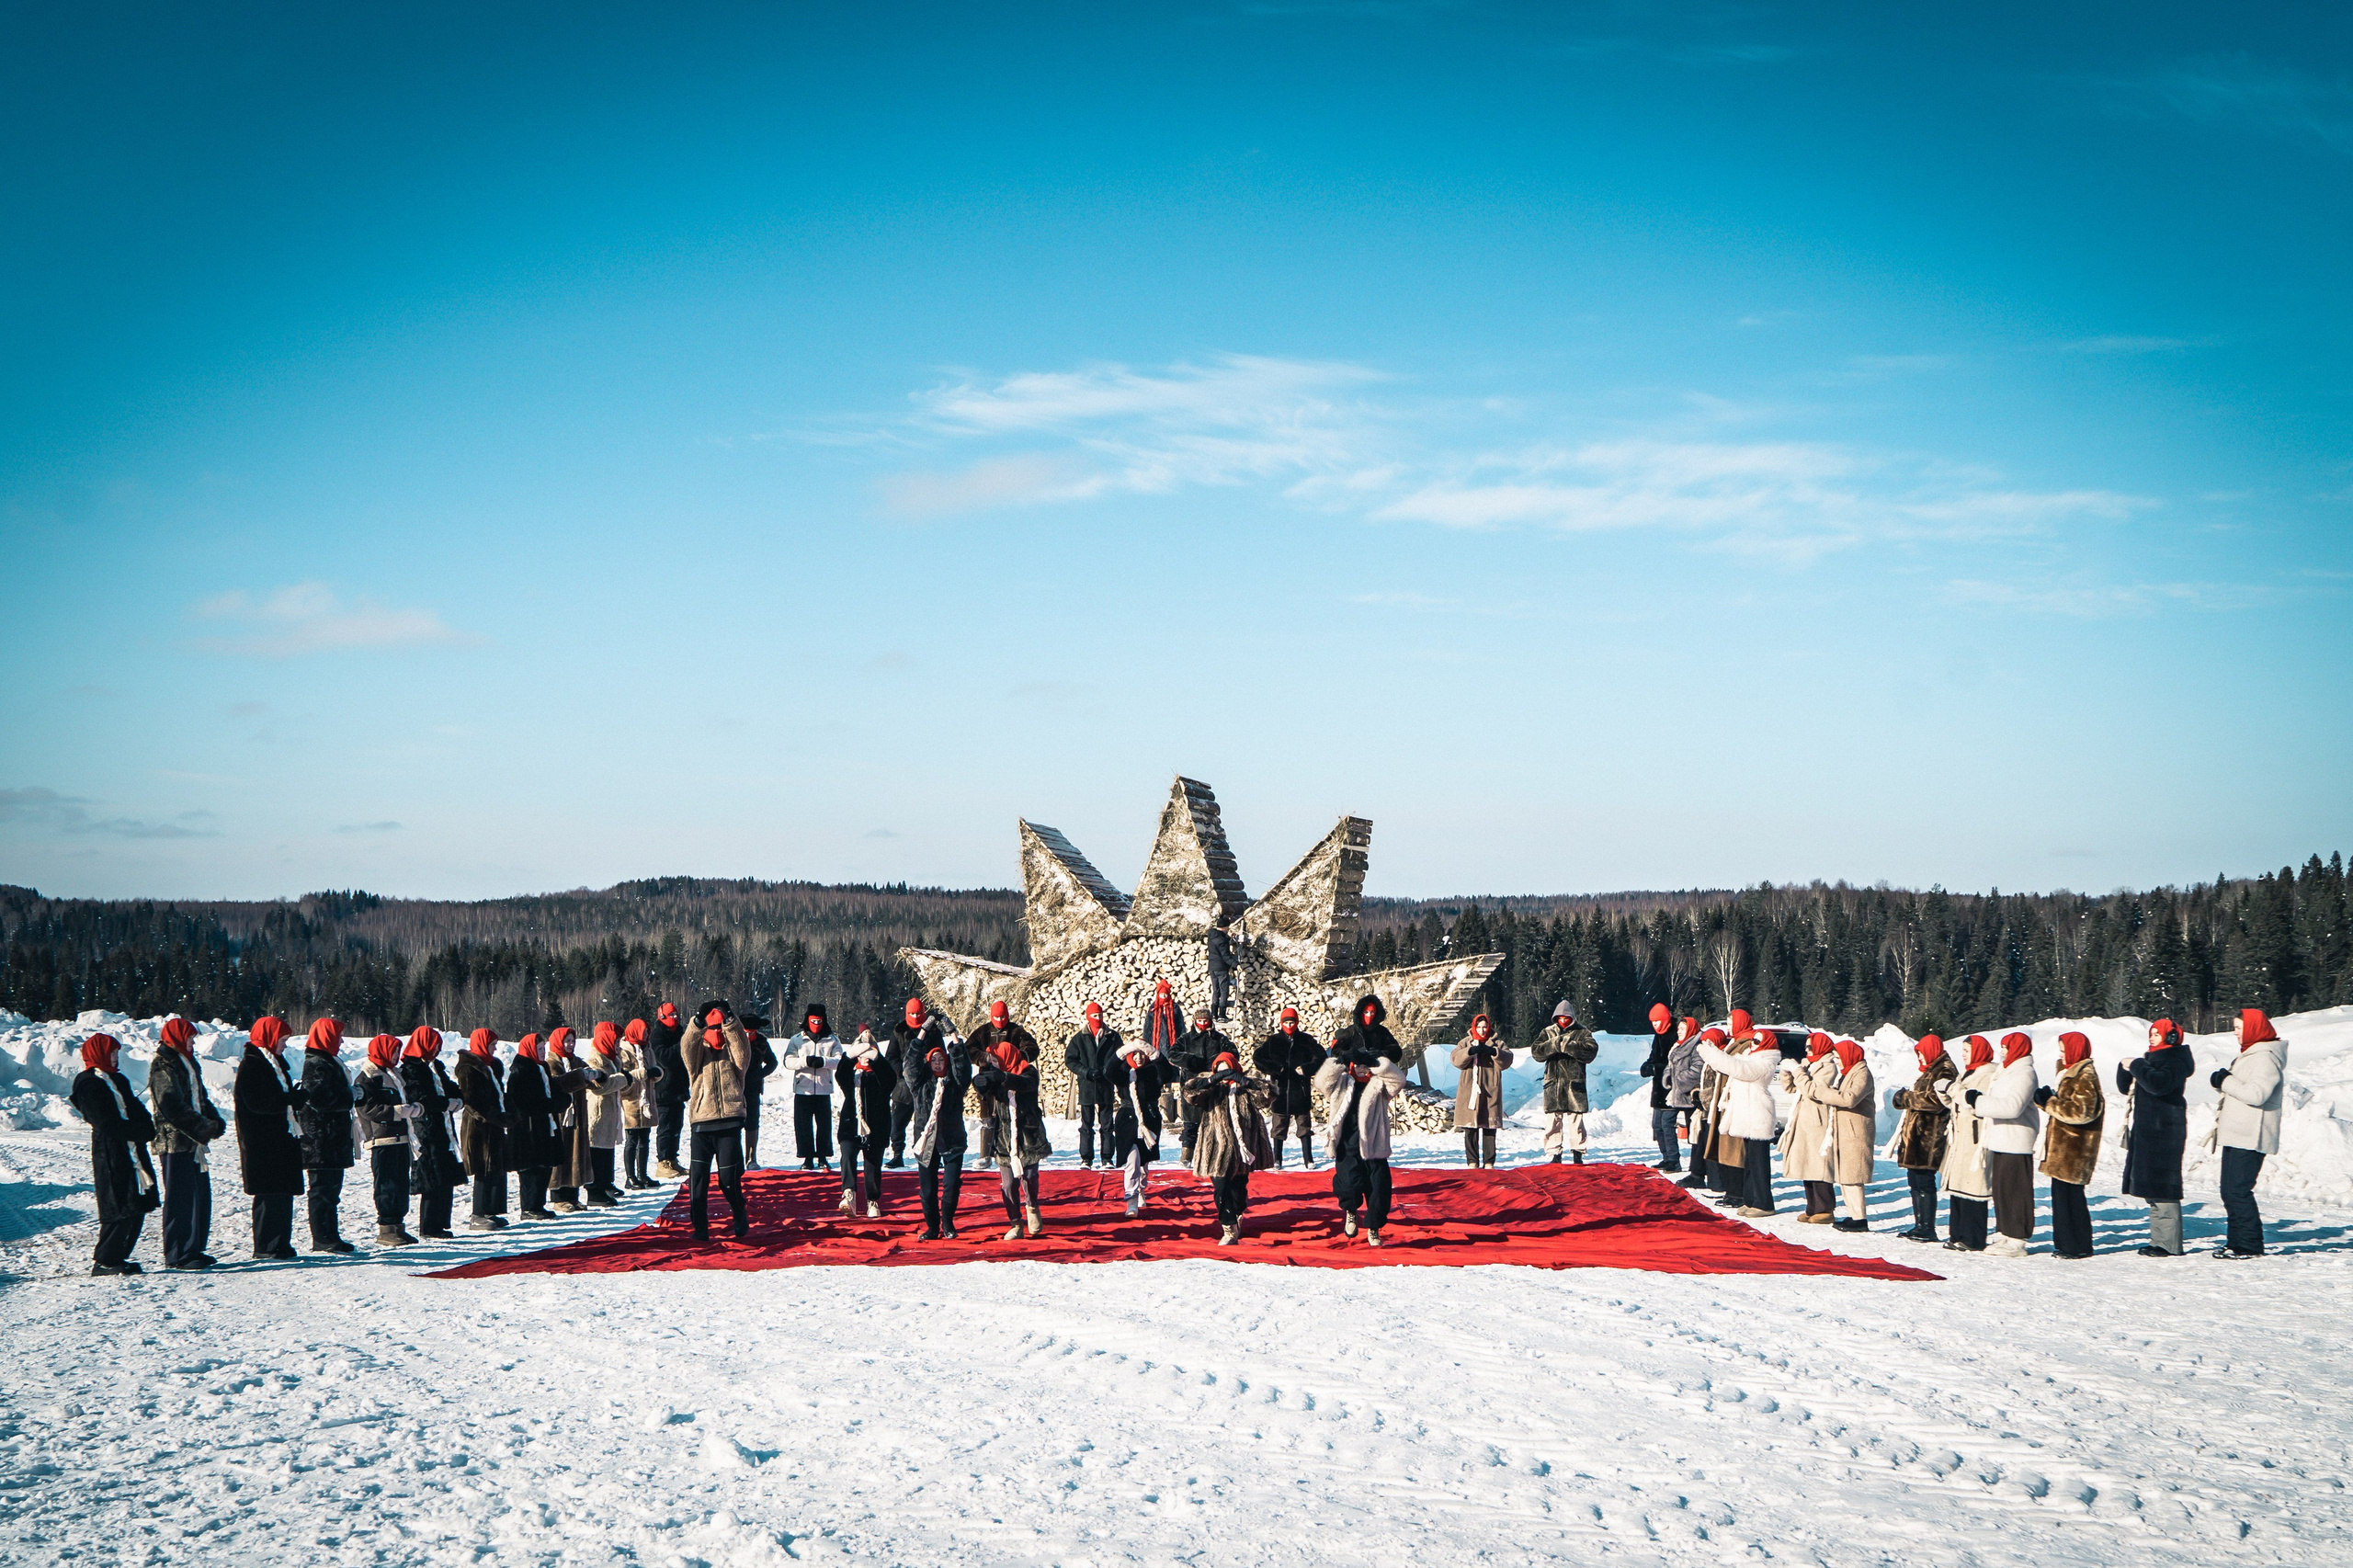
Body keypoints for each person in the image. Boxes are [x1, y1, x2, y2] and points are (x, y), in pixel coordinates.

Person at [72, 1031, 157, 1276]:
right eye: (111, 1053)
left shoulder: (118, 1080)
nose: (115, 1058)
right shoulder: (88, 1083)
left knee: (136, 1204)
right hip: (111, 1153)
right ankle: (106, 1259)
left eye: (116, 1053)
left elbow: (137, 1109)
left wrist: (144, 1128)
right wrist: (136, 1130)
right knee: (117, 1206)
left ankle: (119, 1256)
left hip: (131, 1150)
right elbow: (104, 1121)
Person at [147, 1016, 223, 1269]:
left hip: (193, 1142)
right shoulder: (164, 1065)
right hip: (175, 1141)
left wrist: (213, 1118)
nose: (193, 1042)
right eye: (189, 1037)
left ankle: (194, 1248)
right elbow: (171, 1105)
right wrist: (202, 1127)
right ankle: (178, 1253)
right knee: (179, 1197)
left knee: (198, 1195)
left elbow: (199, 1098)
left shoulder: (187, 1063)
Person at [1313, 1037, 1406, 1244]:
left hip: (1374, 1148)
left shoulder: (1379, 1086)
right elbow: (1321, 1082)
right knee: (1348, 1186)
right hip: (1347, 1146)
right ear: (1352, 1067)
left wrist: (1380, 1063)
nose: (1363, 1070)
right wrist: (1340, 1061)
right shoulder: (1341, 1084)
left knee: (1379, 1192)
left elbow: (1398, 1081)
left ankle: (1373, 1228)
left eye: (1366, 1067)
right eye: (1359, 1066)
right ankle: (1351, 1210)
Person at [2212, 1007, 2288, 1259]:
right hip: (2238, 1132)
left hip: (2251, 1134)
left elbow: (2257, 1094)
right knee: (2229, 1190)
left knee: (2238, 1191)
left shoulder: (2265, 1056)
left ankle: (2249, 1245)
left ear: (2254, 1028)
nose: (2234, 1033)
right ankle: (2237, 1243)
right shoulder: (2251, 1054)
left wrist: (2225, 1081)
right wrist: (2225, 1082)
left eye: (2238, 1028)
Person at [679, 1000, 756, 1241]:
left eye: (718, 1030)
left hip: (729, 1124)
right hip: (702, 1123)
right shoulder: (698, 1057)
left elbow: (743, 1051)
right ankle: (700, 1228)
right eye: (712, 1031)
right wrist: (698, 1022)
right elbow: (687, 1047)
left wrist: (731, 1019)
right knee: (698, 1180)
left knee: (728, 1180)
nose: (716, 1035)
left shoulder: (733, 1057)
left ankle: (739, 1210)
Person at [2118, 1017, 2193, 1256]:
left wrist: (2137, 1065)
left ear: (2170, 1036)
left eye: (2157, 1033)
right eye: (2151, 1032)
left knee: (2164, 1189)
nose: (2151, 1036)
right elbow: (2127, 1087)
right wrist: (2124, 1069)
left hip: (2165, 1131)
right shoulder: (2153, 1059)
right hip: (2150, 1130)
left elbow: (2158, 1085)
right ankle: (2159, 1240)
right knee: (2153, 1188)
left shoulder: (2176, 1060)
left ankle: (2169, 1244)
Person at [1186, 1049, 1276, 1244]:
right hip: (1216, 1147)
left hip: (1241, 1148)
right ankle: (1228, 1226)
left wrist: (1244, 1082)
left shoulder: (1246, 1087)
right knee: (1220, 1187)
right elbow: (1190, 1094)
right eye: (1220, 1069)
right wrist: (1213, 1080)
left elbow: (1268, 1095)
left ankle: (1236, 1214)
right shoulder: (1211, 1088)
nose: (1225, 1074)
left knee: (1238, 1191)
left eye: (1228, 1069)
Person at [235, 1015, 306, 1261]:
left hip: (279, 1139)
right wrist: (289, 1100)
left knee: (282, 1193)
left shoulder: (275, 1063)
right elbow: (257, 1102)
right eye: (282, 1039)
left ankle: (280, 1242)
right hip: (262, 1142)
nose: (285, 1044)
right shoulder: (253, 1065)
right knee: (268, 1194)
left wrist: (292, 1098)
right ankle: (266, 1245)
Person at [973, 1030, 1051, 1239]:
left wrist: (1004, 1078)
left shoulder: (1029, 1071)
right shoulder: (993, 1072)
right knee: (1008, 1184)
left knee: (1030, 1177)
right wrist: (980, 1086)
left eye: (996, 1060)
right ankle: (1015, 1222)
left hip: (1028, 1134)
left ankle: (1032, 1207)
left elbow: (1026, 1084)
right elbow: (985, 1092)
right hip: (1004, 1137)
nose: (994, 1064)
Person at [2037, 1030, 2105, 1259]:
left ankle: (2078, 1245)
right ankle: (2066, 1243)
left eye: (2065, 1050)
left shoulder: (2084, 1075)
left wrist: (2049, 1103)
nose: (2062, 1055)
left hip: (2075, 1149)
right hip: (2063, 1148)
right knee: (2061, 1197)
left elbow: (2082, 1111)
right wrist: (2047, 1100)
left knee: (2072, 1198)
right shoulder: (2069, 1073)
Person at [1972, 1031, 2040, 1257]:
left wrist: (1978, 1102)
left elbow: (2012, 1107)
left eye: (2006, 1047)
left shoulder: (2024, 1073)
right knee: (2001, 1189)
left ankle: (2017, 1238)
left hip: (2016, 1139)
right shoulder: (2006, 1071)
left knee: (2016, 1190)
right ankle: (2005, 1232)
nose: (2002, 1052)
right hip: (2001, 1138)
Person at [293, 1017, 358, 1254]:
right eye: (337, 1036)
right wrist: (349, 1096)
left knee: (331, 1190)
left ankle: (330, 1234)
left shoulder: (327, 1061)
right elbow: (319, 1099)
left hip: (329, 1139)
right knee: (322, 1190)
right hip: (320, 1139)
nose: (341, 1041)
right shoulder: (317, 1063)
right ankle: (323, 1237)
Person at [903, 1020, 972, 1239]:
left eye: (942, 1059)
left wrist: (953, 1034)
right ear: (928, 1063)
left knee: (951, 1186)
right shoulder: (919, 1085)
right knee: (928, 1189)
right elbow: (910, 1064)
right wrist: (922, 1032)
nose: (938, 1062)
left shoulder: (955, 1084)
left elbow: (964, 1066)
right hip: (926, 1142)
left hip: (952, 1140)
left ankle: (948, 1224)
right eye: (934, 1060)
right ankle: (932, 1227)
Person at [1697, 1020, 1776, 1211]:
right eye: (1753, 1040)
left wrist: (1711, 1053)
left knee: (1759, 1164)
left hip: (1758, 1116)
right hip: (1746, 1114)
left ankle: (1764, 1203)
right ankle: (1750, 1200)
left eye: (1757, 1041)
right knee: (1749, 1162)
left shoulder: (1765, 1061)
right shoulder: (1752, 1057)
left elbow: (1737, 1068)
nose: (1753, 1044)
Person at [1888, 1034, 1956, 1243]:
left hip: (1929, 1135)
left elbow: (1935, 1101)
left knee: (1925, 1181)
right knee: (1915, 1180)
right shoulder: (1929, 1071)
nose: (1920, 1058)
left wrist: (1905, 1098)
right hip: (1917, 1136)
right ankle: (1920, 1225)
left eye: (1921, 1054)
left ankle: (1927, 1227)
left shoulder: (1944, 1069)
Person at [355, 1033, 420, 1247]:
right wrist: (399, 1111)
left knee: (401, 1183)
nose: (397, 1055)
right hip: (382, 1140)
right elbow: (368, 1109)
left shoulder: (391, 1073)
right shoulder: (367, 1077)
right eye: (393, 1051)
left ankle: (398, 1226)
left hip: (401, 1138)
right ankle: (386, 1227)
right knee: (386, 1184)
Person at [402, 1026, 462, 1238]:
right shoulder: (411, 1068)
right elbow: (420, 1097)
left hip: (441, 1124)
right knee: (431, 1176)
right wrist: (446, 1103)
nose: (437, 1050)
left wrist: (458, 1097)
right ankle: (429, 1225)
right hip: (425, 1127)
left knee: (445, 1174)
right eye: (434, 1045)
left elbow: (449, 1088)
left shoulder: (435, 1066)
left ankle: (442, 1222)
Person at [1813, 1037, 1876, 1232]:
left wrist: (1824, 1093)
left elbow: (1849, 1099)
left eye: (1839, 1057)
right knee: (1846, 1176)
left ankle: (1860, 1219)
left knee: (1853, 1176)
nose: (1837, 1061)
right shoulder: (1848, 1073)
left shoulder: (1862, 1074)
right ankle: (1853, 1215)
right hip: (1846, 1131)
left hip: (1855, 1132)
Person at [1939, 1034, 1997, 1252]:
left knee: (1974, 1187)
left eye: (1967, 1051)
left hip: (1974, 1138)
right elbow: (1956, 1101)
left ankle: (1973, 1238)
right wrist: (1944, 1094)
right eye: (1963, 1051)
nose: (1963, 1055)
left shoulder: (1988, 1075)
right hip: (1960, 1137)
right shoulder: (1968, 1073)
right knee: (1959, 1186)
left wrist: (1954, 1090)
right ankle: (1957, 1233)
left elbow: (1975, 1103)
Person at [835, 1027, 899, 1218]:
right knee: (847, 1156)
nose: (865, 1057)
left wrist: (877, 1058)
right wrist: (850, 1055)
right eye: (861, 1054)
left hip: (876, 1127)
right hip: (850, 1125)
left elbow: (890, 1077)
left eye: (868, 1054)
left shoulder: (881, 1079)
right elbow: (840, 1073)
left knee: (872, 1165)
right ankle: (849, 1193)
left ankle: (872, 1200)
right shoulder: (852, 1077)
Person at [965, 1000, 1040, 1165]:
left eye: (1003, 1017)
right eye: (996, 1017)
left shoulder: (1016, 1031)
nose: (999, 1020)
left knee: (1011, 1114)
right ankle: (985, 1154)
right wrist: (983, 1058)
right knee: (988, 1116)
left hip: (1011, 1076)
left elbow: (1032, 1047)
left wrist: (1019, 1056)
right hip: (988, 1077)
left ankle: (1013, 1149)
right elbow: (968, 1049)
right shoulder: (982, 1032)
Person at [1776, 1032, 1840, 1222]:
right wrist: (1787, 1072)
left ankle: (1826, 1208)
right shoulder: (1809, 1064)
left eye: (1811, 1047)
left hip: (1818, 1120)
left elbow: (1814, 1090)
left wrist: (1798, 1072)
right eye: (1806, 1047)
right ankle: (1812, 1207)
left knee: (1819, 1166)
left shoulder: (1828, 1067)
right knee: (1806, 1164)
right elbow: (1791, 1088)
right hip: (1804, 1120)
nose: (1807, 1050)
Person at [454, 1028, 513, 1231]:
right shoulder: (469, 1068)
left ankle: (490, 1210)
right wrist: (492, 1117)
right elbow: (470, 1100)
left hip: (495, 1124)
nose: (495, 1048)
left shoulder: (493, 1066)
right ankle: (477, 1213)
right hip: (478, 1126)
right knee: (482, 1167)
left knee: (495, 1166)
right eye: (492, 1044)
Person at [579, 1021, 642, 1206]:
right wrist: (624, 1078)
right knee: (597, 1152)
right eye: (614, 1044)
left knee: (606, 1150)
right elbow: (600, 1086)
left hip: (609, 1112)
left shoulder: (612, 1061)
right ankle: (594, 1191)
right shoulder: (595, 1060)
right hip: (597, 1113)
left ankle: (605, 1184)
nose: (617, 1048)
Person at [1110, 1040, 1175, 1219]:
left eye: (1142, 1054)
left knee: (1143, 1162)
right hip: (1127, 1119)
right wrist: (1121, 1052)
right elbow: (1108, 1071)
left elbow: (1169, 1073)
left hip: (1150, 1119)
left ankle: (1141, 1189)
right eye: (1135, 1054)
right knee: (1132, 1159)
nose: (1139, 1058)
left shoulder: (1153, 1070)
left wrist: (1156, 1055)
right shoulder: (1124, 1072)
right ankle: (1131, 1199)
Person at [1530, 1000, 1599, 1165]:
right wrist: (1553, 1045)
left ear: (1572, 1017)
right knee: (1553, 1120)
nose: (1563, 1020)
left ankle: (1578, 1152)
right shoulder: (1548, 1032)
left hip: (1574, 1083)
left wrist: (1570, 1046)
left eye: (1566, 1017)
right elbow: (1536, 1052)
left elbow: (1591, 1052)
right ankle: (1555, 1153)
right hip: (1553, 1084)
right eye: (1560, 1017)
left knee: (1576, 1120)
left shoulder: (1583, 1032)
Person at [1253, 1006, 1321, 1168]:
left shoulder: (1306, 1040)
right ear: (1281, 1023)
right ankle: (1277, 1158)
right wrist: (1276, 1068)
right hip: (1280, 1090)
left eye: (1292, 1022)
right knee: (1278, 1127)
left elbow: (1320, 1057)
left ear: (1297, 1022)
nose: (1289, 1026)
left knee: (1304, 1127)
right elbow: (1258, 1057)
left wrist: (1306, 1068)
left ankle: (1308, 1158)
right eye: (1286, 1022)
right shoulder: (1274, 1041)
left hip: (1301, 1090)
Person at [505, 1032, 563, 1221]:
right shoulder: (521, 1069)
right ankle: (528, 1206)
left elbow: (553, 1091)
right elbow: (520, 1101)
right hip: (527, 1129)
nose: (543, 1053)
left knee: (544, 1165)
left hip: (544, 1124)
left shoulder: (542, 1067)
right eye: (539, 1049)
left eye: (544, 1049)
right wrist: (549, 1104)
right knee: (530, 1168)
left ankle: (538, 1204)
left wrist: (560, 1100)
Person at [885, 999, 946, 1167]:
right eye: (912, 1014)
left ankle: (931, 1154)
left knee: (929, 1121)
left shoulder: (933, 1032)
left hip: (927, 1084)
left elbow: (941, 1054)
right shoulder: (899, 1030)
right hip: (903, 1085)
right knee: (897, 1122)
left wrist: (933, 1071)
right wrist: (901, 1071)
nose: (915, 1017)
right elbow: (890, 1056)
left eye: (918, 1014)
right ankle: (897, 1153)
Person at [1171, 1006, 1235, 1163]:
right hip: (1192, 1086)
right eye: (1200, 1021)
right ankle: (1186, 1156)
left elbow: (1233, 1052)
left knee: (1214, 1123)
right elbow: (1172, 1054)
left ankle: (1214, 1157)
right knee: (1190, 1124)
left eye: (1205, 1020)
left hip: (1214, 1086)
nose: (1203, 1023)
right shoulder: (1185, 1039)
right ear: (1194, 1021)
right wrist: (1189, 1060)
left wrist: (1219, 1061)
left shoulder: (1219, 1038)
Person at [1449, 1014, 1514, 1167]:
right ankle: (1472, 1161)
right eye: (1479, 1027)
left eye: (1485, 1026)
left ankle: (1489, 1161)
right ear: (1474, 1027)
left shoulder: (1497, 1043)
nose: (1482, 1030)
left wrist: (1493, 1052)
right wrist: (1469, 1051)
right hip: (1469, 1089)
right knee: (1470, 1126)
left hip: (1490, 1088)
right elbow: (1455, 1059)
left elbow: (1508, 1059)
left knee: (1489, 1125)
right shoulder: (1465, 1042)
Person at [545, 1026, 598, 1212]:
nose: (570, 1044)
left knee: (576, 1153)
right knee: (561, 1154)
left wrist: (596, 1075)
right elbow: (557, 1083)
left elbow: (589, 1074)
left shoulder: (576, 1061)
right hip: (561, 1116)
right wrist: (580, 1076)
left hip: (577, 1117)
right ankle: (559, 1197)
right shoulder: (552, 1062)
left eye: (572, 1041)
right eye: (567, 1041)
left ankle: (572, 1195)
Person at [1063, 1002, 1121, 1169]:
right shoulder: (1079, 1038)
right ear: (1088, 1017)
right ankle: (1086, 1158)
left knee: (1107, 1124)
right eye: (1095, 1016)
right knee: (1086, 1125)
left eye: (1100, 1015)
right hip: (1087, 1085)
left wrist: (1109, 1071)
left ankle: (1107, 1158)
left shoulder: (1113, 1036)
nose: (1098, 1018)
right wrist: (1086, 1072)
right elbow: (1070, 1060)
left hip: (1106, 1085)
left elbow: (1120, 1057)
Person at [647, 1001, 690, 1179]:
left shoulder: (680, 1032)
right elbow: (665, 1058)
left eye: (676, 1015)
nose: (675, 1018)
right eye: (671, 1015)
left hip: (678, 1088)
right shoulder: (657, 1035)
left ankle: (672, 1159)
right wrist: (683, 1044)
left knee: (676, 1126)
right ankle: (663, 1161)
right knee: (665, 1128)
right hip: (663, 1089)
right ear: (662, 1016)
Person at [1636, 1004, 1682, 1171]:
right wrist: (1647, 1066)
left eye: (1657, 1021)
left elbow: (1677, 1062)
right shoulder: (1658, 1036)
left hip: (1671, 1086)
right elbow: (1654, 1056)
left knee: (1667, 1123)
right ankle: (1666, 1156)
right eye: (1653, 1022)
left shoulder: (1676, 1033)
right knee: (1657, 1124)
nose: (1655, 1025)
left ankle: (1673, 1159)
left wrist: (1657, 1068)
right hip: (1658, 1087)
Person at [1140, 977, 1188, 1132]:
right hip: (1157, 1047)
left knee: (1173, 1075)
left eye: (1166, 994)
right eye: (1162, 995)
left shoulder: (1175, 1008)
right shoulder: (1153, 1009)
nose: (1164, 997)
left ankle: (1176, 1109)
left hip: (1172, 1047)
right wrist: (1147, 1046)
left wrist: (1181, 1044)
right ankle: (1161, 1106)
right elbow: (1148, 1029)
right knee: (1158, 1076)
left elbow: (1180, 1027)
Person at [1671, 1019, 1714, 1188]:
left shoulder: (1696, 1045)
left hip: (1693, 1097)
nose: (1679, 1031)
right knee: (1693, 1136)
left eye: (1683, 1028)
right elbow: (1672, 1064)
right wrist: (1669, 1076)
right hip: (1683, 1096)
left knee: (1697, 1136)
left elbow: (1697, 1070)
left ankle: (1697, 1173)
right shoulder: (1680, 1044)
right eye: (1678, 1028)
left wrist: (1679, 1080)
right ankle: (1696, 1171)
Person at [619, 1018, 660, 1189]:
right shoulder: (624, 1050)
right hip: (631, 1101)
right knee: (632, 1139)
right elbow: (625, 1075)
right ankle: (630, 1177)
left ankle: (642, 1174)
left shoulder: (647, 1048)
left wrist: (657, 1073)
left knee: (645, 1138)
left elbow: (654, 1068)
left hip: (647, 1100)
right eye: (643, 1032)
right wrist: (645, 1073)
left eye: (647, 1032)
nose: (646, 1035)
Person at [740, 1013, 779, 1170]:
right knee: (734, 1123)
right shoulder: (732, 1039)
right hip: (734, 1088)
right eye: (746, 1032)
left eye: (752, 1032)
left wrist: (760, 1074)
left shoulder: (762, 1041)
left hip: (753, 1088)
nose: (749, 1035)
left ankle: (751, 1158)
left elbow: (772, 1062)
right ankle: (734, 1157)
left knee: (752, 1123)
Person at [1206, 921, 1237, 1021]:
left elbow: (1221, 940)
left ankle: (1214, 1014)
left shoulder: (1212, 935)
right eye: (1227, 928)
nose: (1228, 929)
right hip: (1221, 968)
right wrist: (1236, 964)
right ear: (1224, 928)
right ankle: (1222, 1015)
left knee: (1216, 991)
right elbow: (1225, 956)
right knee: (1224, 991)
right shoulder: (1222, 941)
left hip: (1212, 967)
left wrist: (1229, 937)